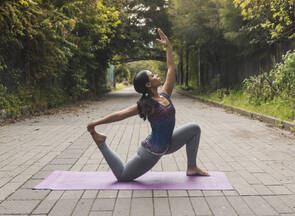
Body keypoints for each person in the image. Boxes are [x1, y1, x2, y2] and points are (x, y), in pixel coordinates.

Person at [87, 28, 209, 181]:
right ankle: (101, 142)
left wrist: (168, 47)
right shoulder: (146, 105)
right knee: (123, 176)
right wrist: (96, 123)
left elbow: (171, 67)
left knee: (194, 129)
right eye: (152, 75)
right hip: (151, 152)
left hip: (168, 144)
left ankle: (191, 167)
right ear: (148, 85)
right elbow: (120, 115)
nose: (157, 75)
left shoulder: (165, 94)